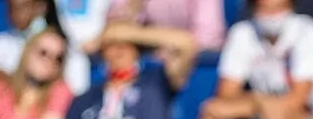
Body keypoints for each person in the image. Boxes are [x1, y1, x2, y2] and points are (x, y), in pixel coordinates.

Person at [198, 0, 313, 119]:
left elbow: (298, 100)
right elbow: (226, 93)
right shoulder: (242, 32)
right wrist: (259, 105)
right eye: (266, 9)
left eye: (278, 8)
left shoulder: (307, 29)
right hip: (260, 112)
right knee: (211, 113)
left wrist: (256, 103)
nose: (272, 16)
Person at [90, 0, 225, 90]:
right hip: (152, 63)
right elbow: (114, 31)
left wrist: (136, 34)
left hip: (194, 69)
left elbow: (207, 38)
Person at [0, 0, 53, 84]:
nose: (15, 14)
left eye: (23, 7)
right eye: (11, 8)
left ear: (40, 7)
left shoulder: (52, 45)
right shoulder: (0, 42)